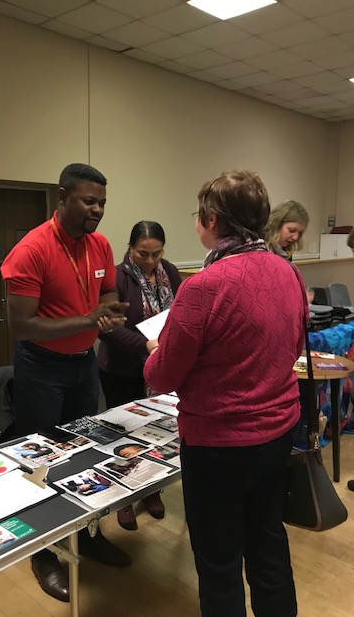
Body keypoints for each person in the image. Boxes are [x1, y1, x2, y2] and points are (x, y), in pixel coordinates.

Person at [144, 170, 306, 617]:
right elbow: (292, 347)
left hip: (217, 448)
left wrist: (155, 348)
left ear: (212, 220)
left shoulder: (202, 286)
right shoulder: (287, 272)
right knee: (269, 543)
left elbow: (162, 377)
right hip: (277, 436)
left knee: (218, 563)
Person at [0, 163, 130, 603]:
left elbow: (108, 291)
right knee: (40, 461)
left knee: (84, 458)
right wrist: (88, 318)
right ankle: (43, 553)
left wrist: (108, 311)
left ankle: (86, 536)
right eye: (88, 201)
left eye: (102, 204)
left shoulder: (101, 244)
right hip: (41, 367)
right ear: (63, 196)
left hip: (83, 364)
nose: (97, 210)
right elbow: (22, 326)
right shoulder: (31, 249)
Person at [98, 220, 182, 530]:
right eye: (142, 253)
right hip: (121, 369)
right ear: (131, 249)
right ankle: (124, 500)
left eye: (156, 254)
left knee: (155, 434)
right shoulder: (119, 277)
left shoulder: (169, 272)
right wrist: (146, 344)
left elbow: (180, 311)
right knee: (124, 438)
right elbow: (108, 329)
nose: (149, 261)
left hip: (158, 367)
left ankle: (151, 491)